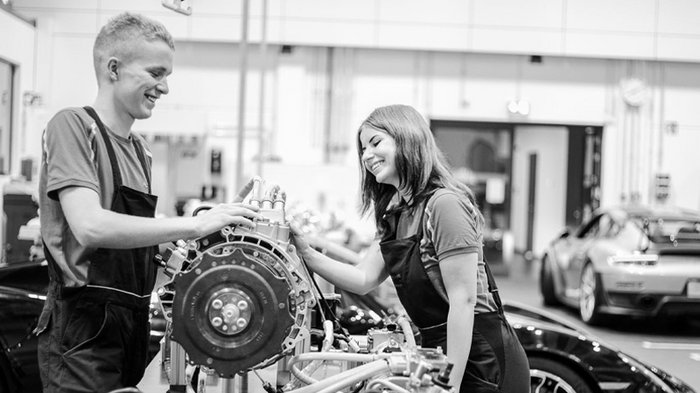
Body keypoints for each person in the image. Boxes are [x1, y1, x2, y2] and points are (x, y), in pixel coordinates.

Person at [35, 12, 262, 392]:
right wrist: (192, 224)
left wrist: (205, 239)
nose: (165, 87)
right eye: (156, 73)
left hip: (133, 324)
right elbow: (90, 226)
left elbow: (138, 251)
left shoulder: (141, 151)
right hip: (82, 330)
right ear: (113, 69)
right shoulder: (73, 126)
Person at [292, 104, 530, 393]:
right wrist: (305, 252)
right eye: (363, 148)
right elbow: (363, 279)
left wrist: (449, 384)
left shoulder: (444, 205)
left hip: (481, 356)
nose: (367, 155)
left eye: (376, 142)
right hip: (438, 351)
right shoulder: (395, 214)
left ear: (407, 139)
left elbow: (463, 302)